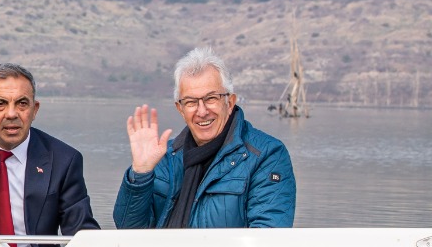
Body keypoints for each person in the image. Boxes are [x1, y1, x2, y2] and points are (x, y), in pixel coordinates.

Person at [112, 46, 296, 229]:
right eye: (191, 102)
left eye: (211, 99)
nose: (202, 111)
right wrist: (140, 175)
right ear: (180, 109)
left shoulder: (266, 156)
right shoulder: (163, 157)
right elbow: (129, 232)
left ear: (230, 102)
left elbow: (267, 239)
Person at [0, 63, 98, 243]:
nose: (11, 114)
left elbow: (82, 232)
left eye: (22, 104)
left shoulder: (63, 160)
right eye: (0, 104)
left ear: (34, 110)